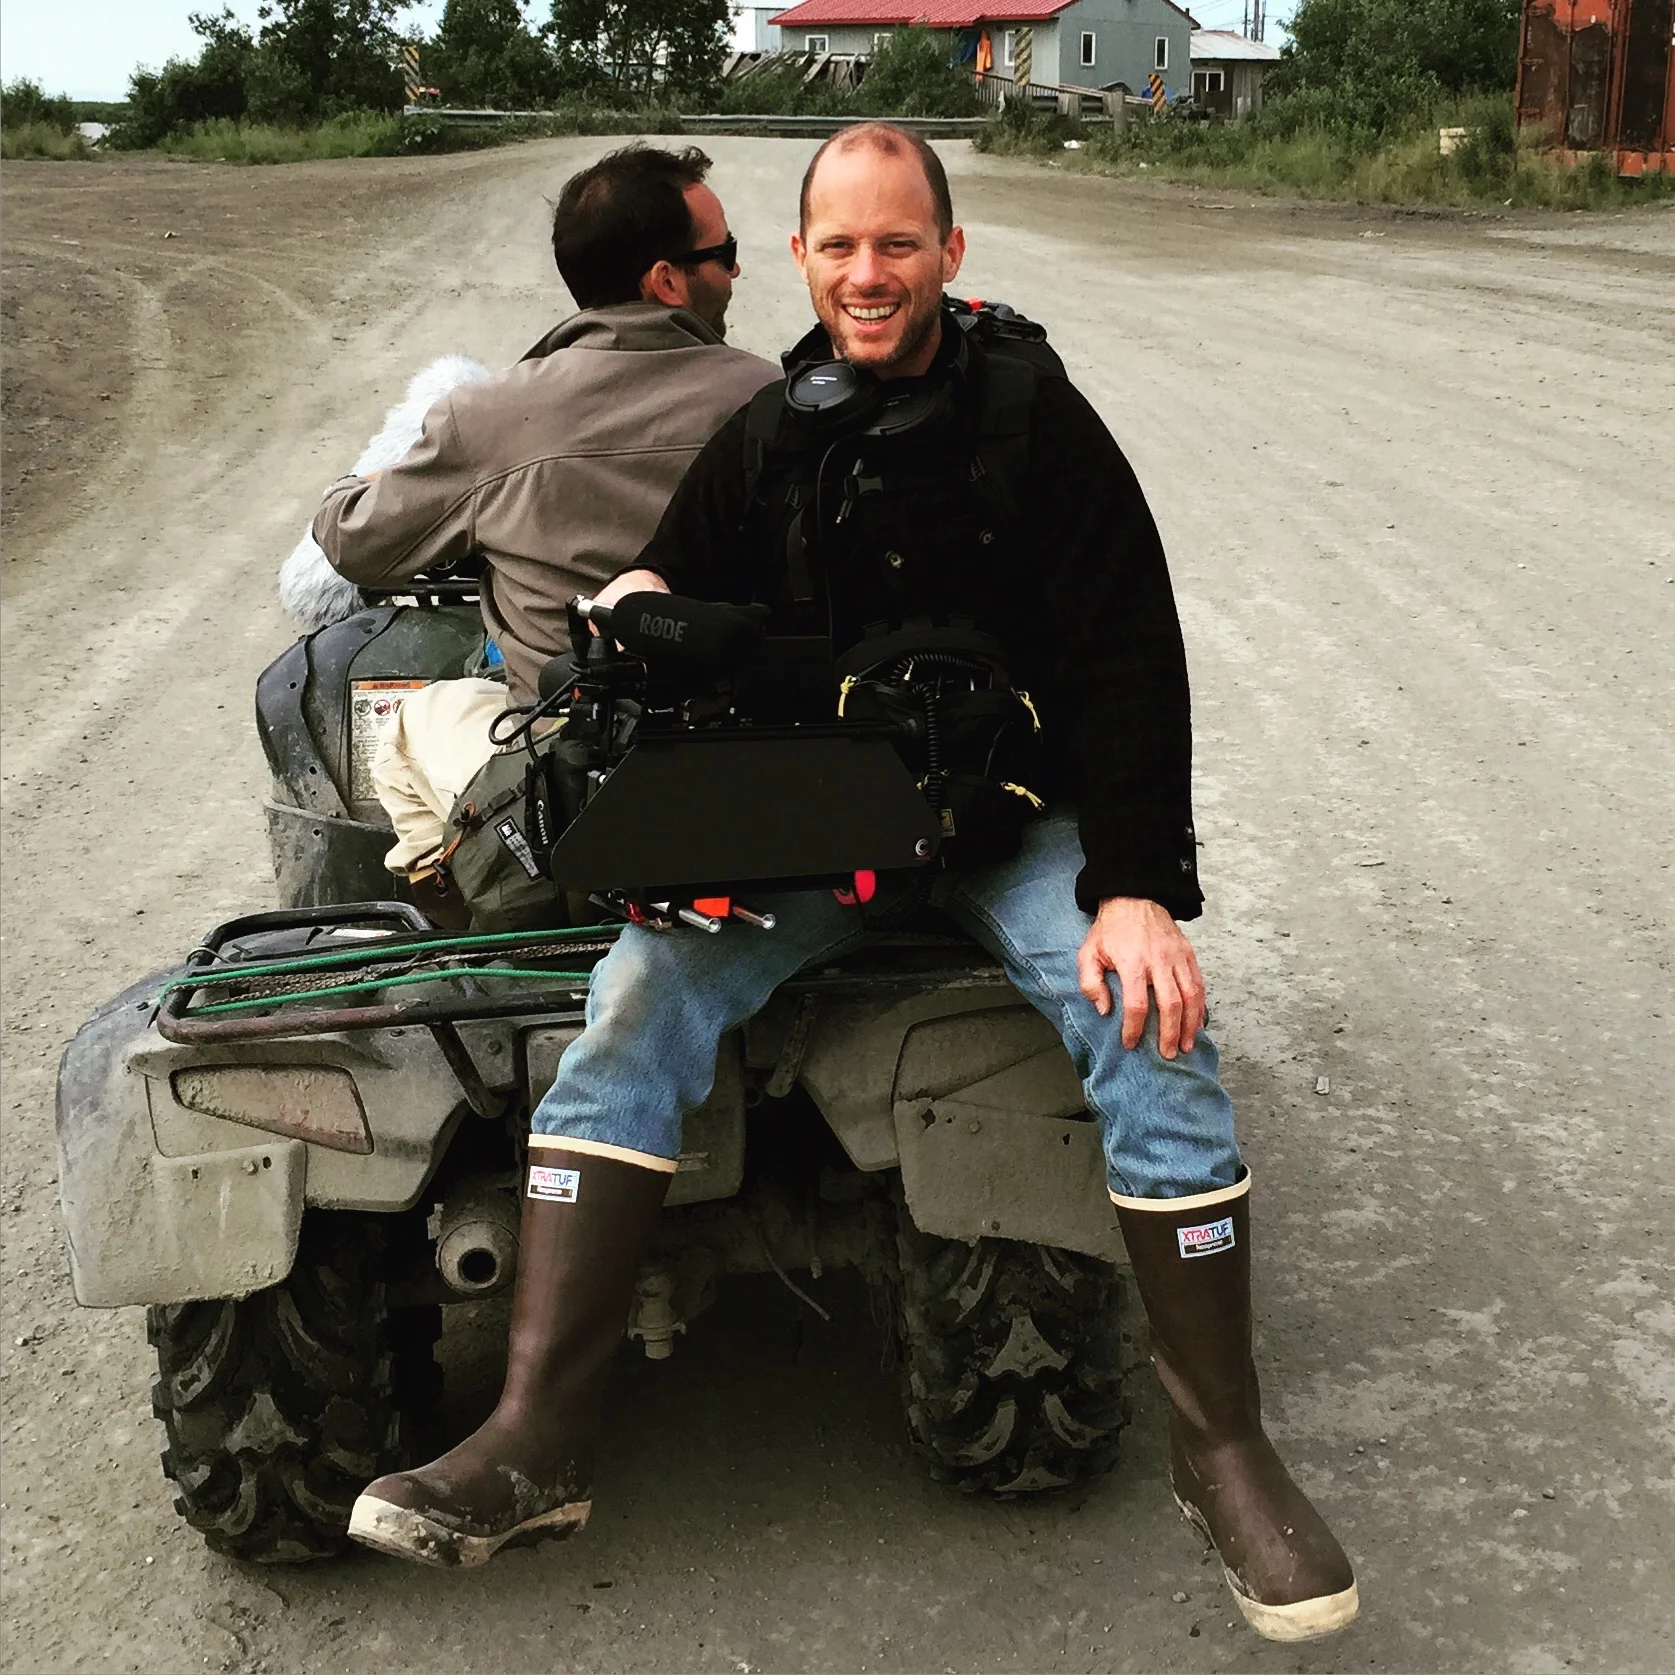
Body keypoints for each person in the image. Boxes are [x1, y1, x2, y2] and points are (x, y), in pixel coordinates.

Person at [347, 125, 1360, 1644]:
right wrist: (638, 611)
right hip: (823, 824)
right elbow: (669, 572)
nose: (866, 274)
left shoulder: (1035, 417)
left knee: (1147, 1020)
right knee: (631, 1001)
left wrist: (1138, 885)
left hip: (1018, 823)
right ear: (802, 258)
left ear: (948, 252)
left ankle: (1223, 1451)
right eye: (837, 246)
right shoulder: (773, 426)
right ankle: (538, 1436)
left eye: (896, 243)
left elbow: (1130, 659)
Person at [311, 143, 778, 710]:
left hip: (562, 740)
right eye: (725, 253)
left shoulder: (489, 416)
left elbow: (354, 544)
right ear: (667, 281)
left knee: (412, 727)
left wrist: (356, 484)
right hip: (751, 730)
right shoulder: (775, 398)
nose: (735, 269)